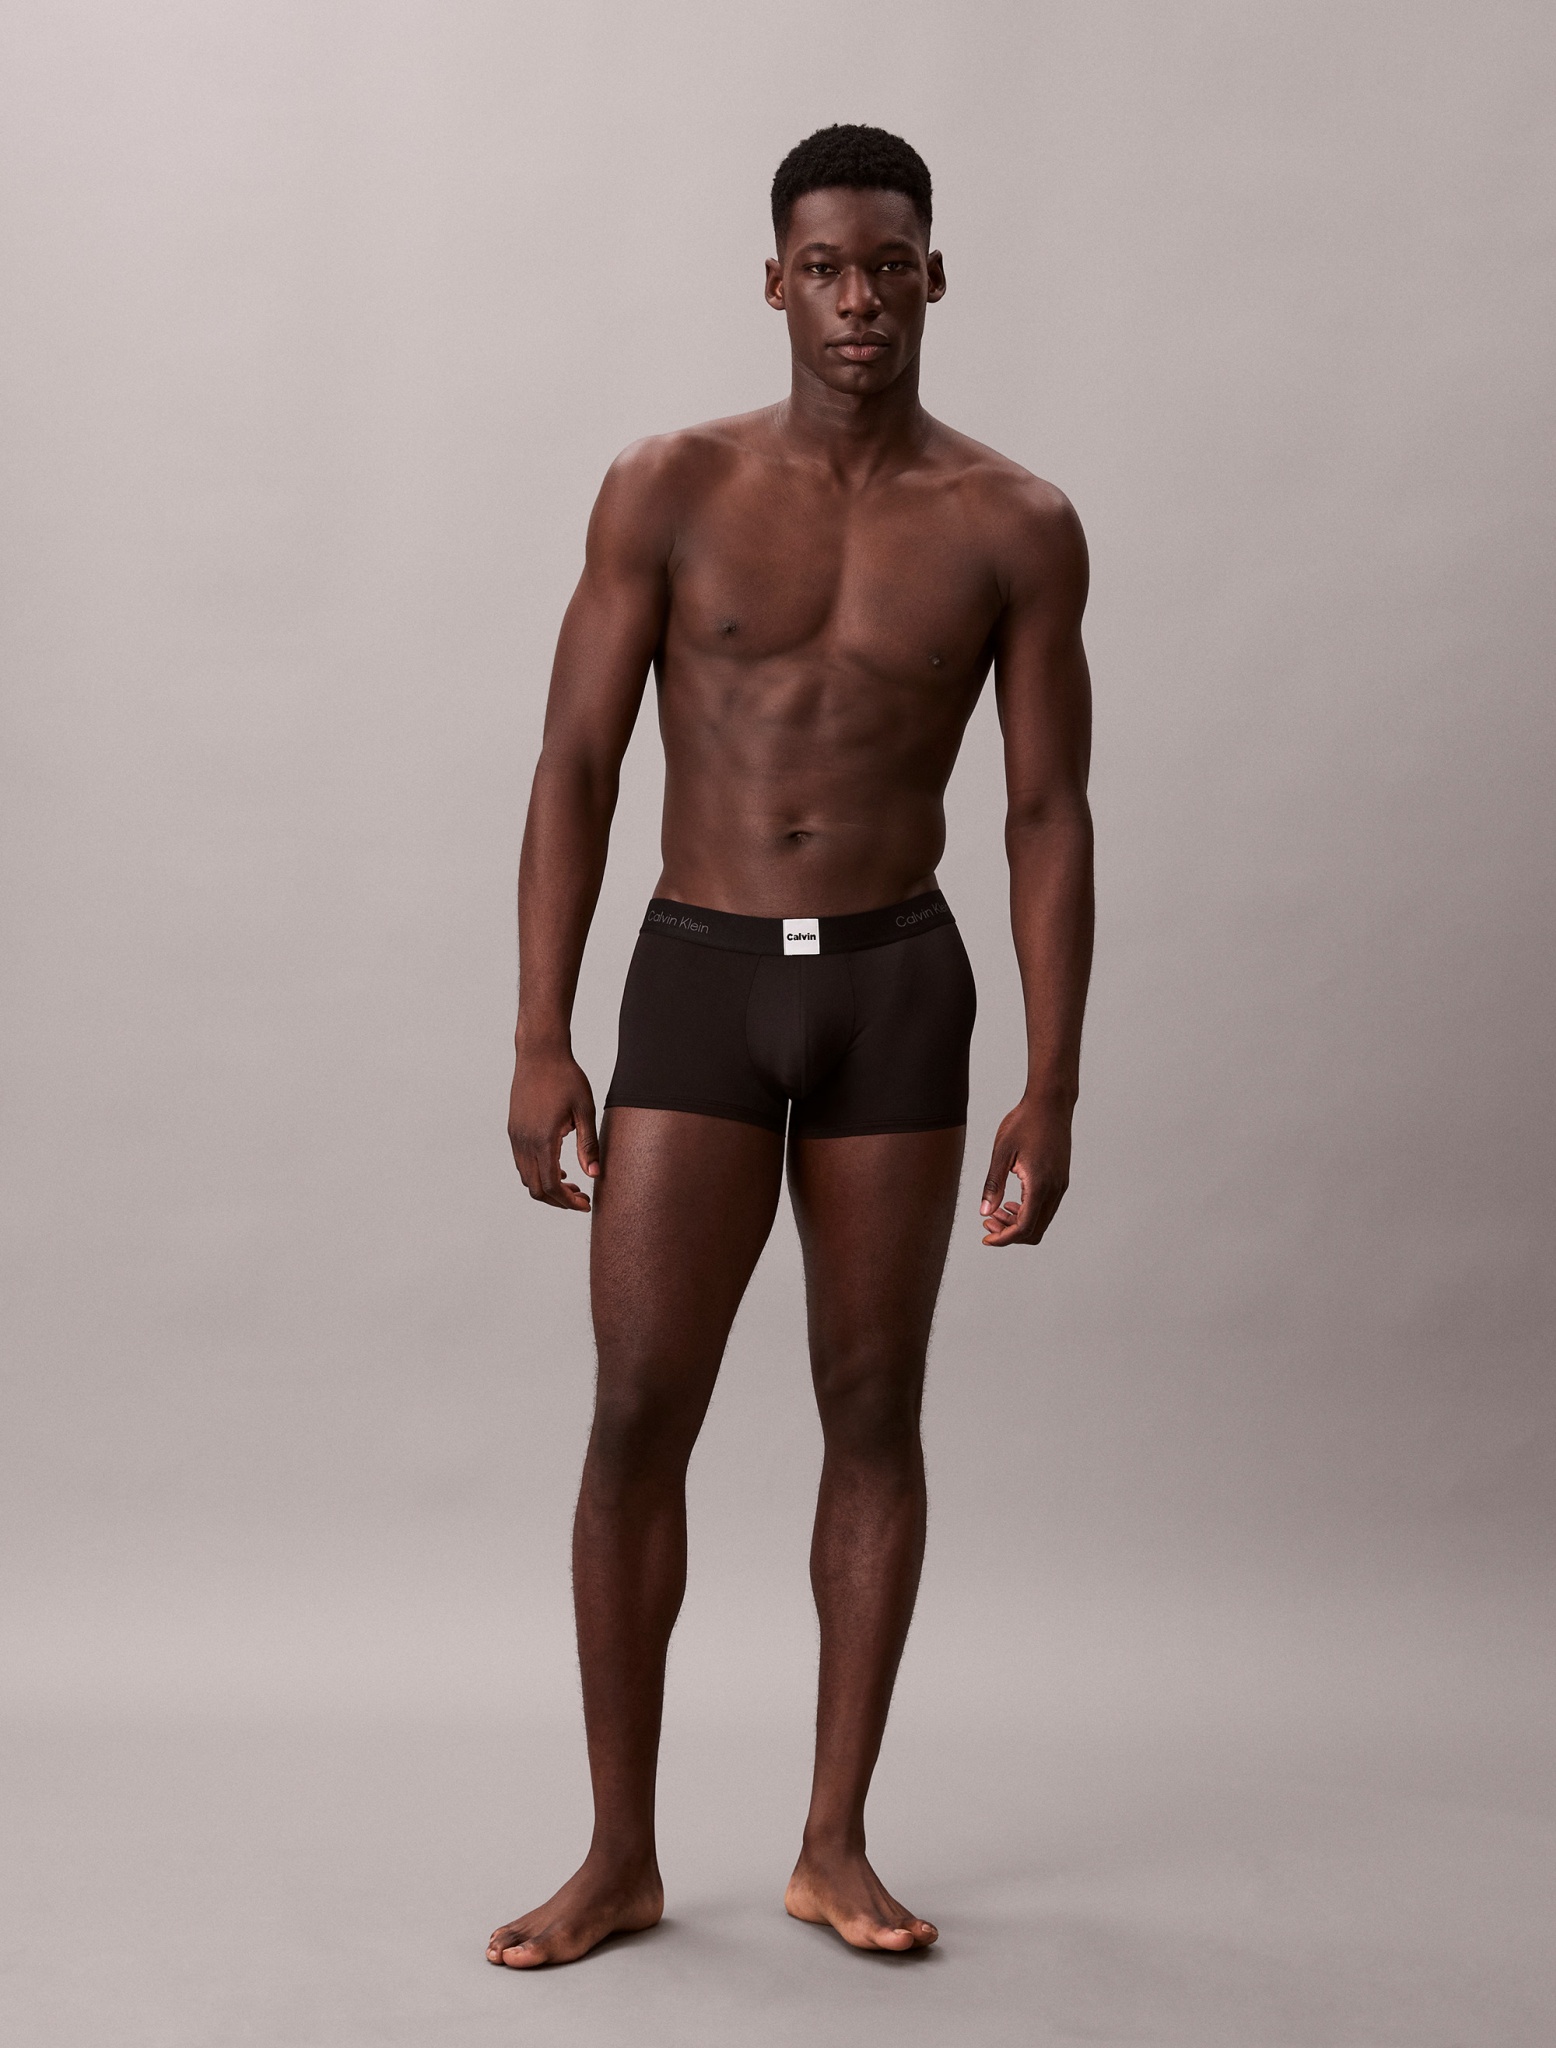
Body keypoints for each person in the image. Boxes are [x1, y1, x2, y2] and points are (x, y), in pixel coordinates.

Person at [488, 123, 1093, 1968]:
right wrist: (540, 1029)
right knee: (634, 1415)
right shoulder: (667, 489)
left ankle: (835, 1845)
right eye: (824, 266)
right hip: (700, 975)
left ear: (935, 276)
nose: (858, 300)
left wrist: (1053, 1079)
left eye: (889, 264)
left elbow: (1048, 812)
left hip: (897, 987)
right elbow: (576, 763)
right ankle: (619, 1854)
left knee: (874, 1410)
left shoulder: (1013, 523)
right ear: (774, 282)